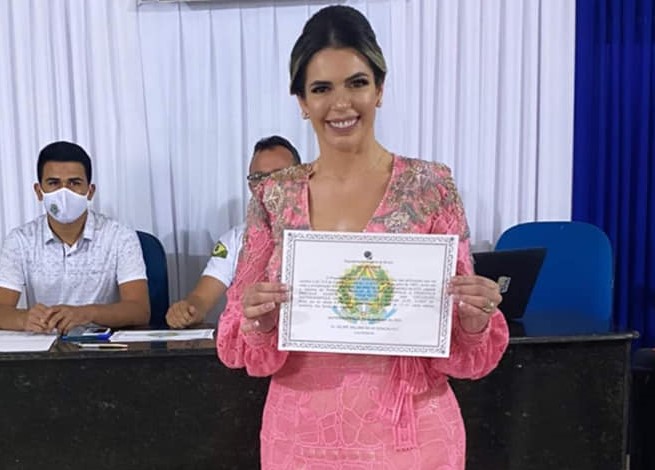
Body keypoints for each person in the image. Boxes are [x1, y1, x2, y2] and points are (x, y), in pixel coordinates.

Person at [217, 6, 509, 469]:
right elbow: (236, 337)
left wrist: (474, 319)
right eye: (321, 88)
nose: (341, 103)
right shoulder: (273, 195)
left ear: (380, 89)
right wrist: (261, 319)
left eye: (357, 83)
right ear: (301, 101)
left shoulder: (430, 187)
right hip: (301, 436)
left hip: (412, 435)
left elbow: (461, 340)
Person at [0, 141, 150, 333]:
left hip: (102, 345)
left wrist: (87, 314)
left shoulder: (120, 236)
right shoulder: (20, 240)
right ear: (39, 191)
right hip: (45, 344)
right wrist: (24, 319)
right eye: (53, 183)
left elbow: (139, 310)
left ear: (90, 191)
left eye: (74, 183)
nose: (64, 192)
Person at [166, 135, 301, 328]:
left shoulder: (323, 231)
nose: (268, 185)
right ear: (251, 186)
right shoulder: (234, 239)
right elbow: (201, 299)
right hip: (251, 338)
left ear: (301, 179)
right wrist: (187, 310)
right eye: (258, 178)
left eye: (279, 175)